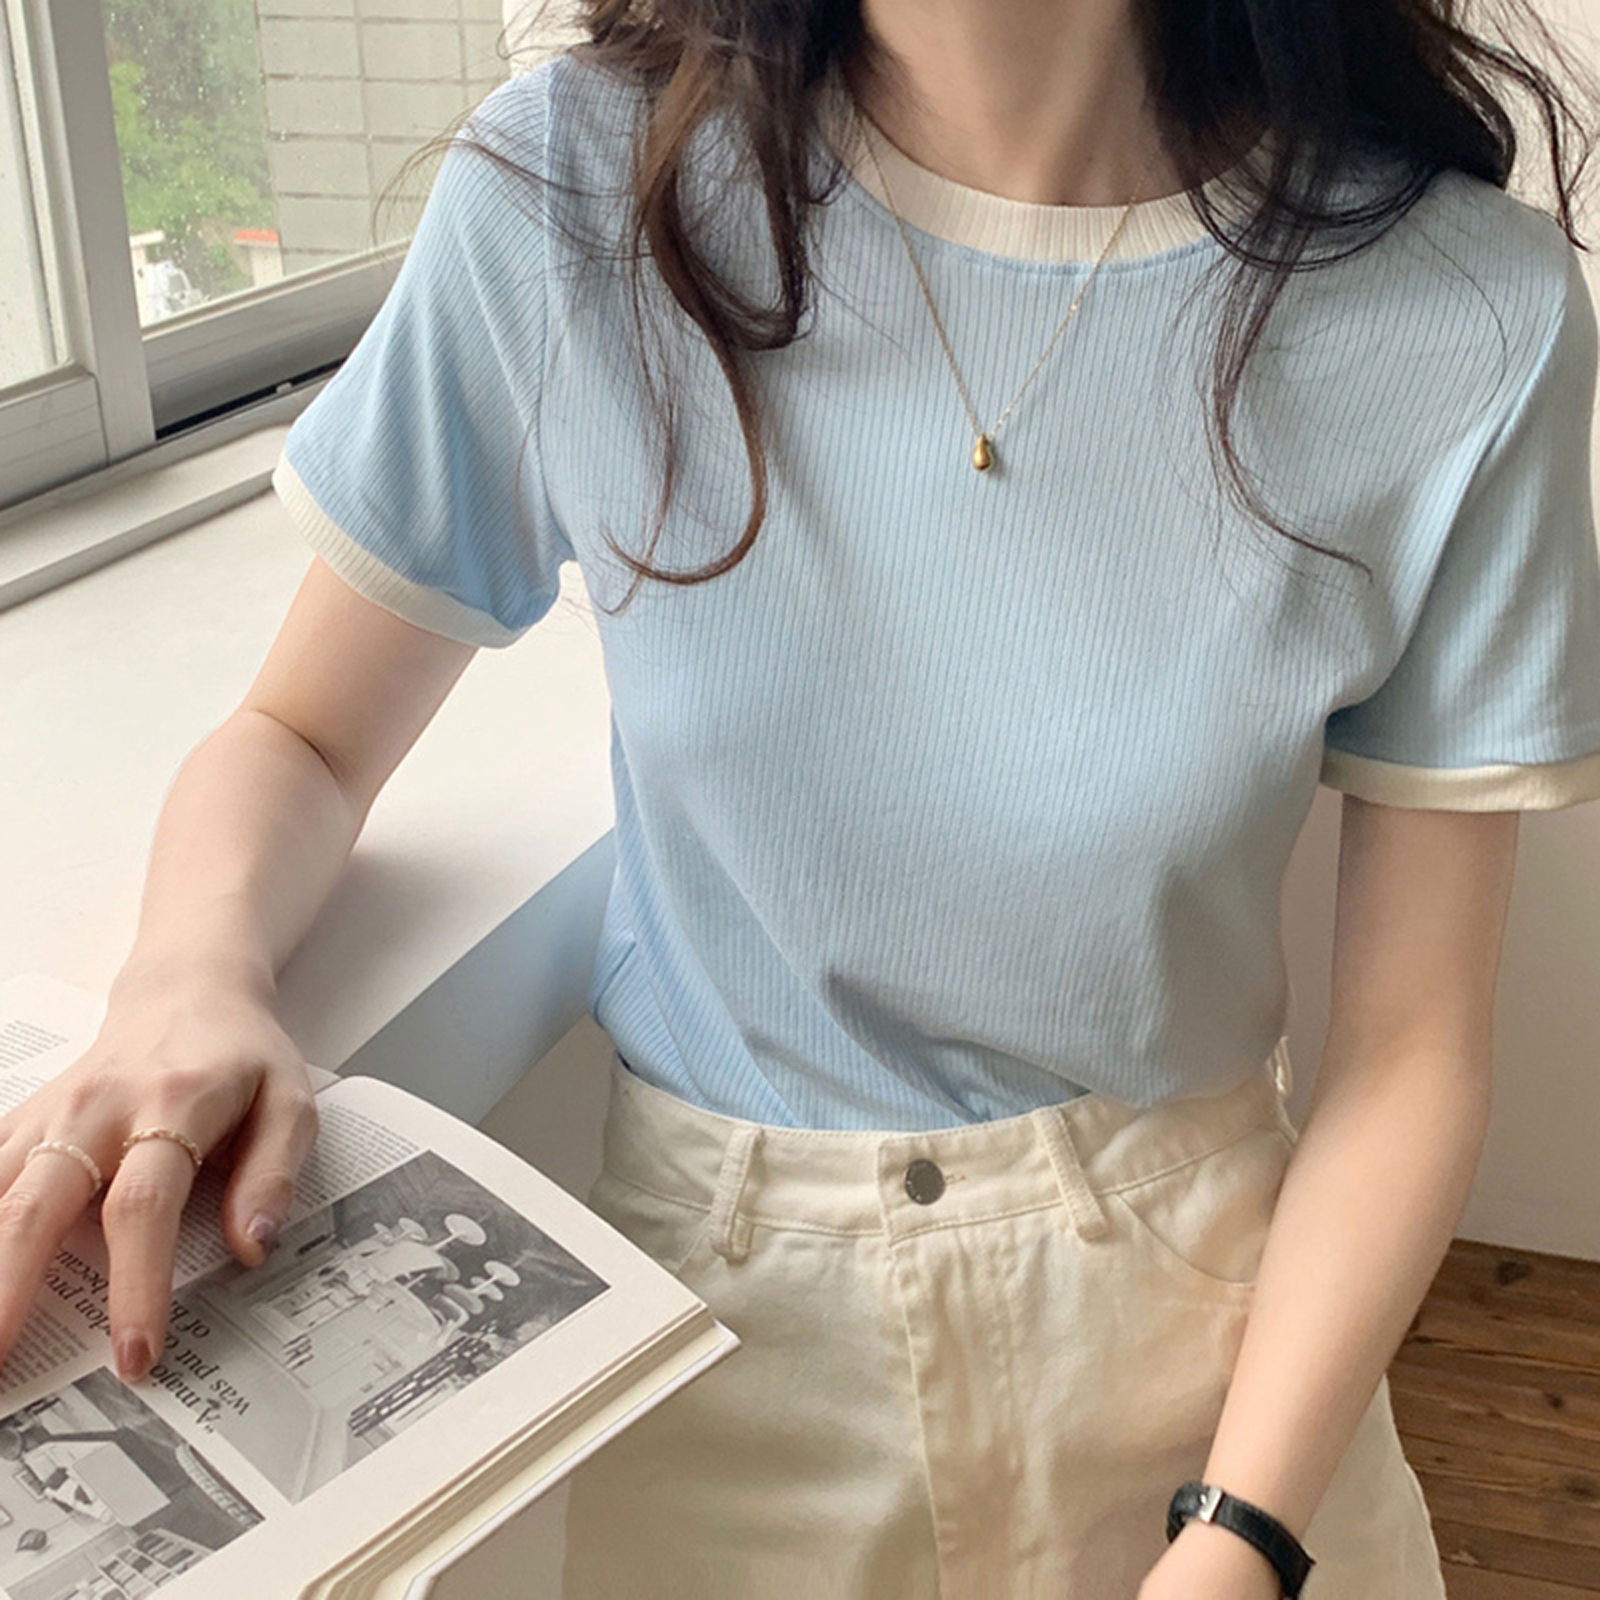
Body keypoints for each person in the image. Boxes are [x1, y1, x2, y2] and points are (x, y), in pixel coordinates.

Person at [8, 0, 1600, 1595]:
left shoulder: (1464, 316)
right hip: (732, 1363)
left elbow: (1409, 1055)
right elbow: (302, 737)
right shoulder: (578, 193)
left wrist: (1240, 1540)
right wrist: (188, 975)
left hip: (1231, 1375)